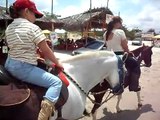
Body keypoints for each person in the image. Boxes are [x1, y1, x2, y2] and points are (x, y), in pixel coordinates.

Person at [5, 0, 63, 120]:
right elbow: (46, 50)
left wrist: (33, 56)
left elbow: (17, 47)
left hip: (8, 65)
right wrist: (57, 62)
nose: (35, 18)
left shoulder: (9, 27)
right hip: (23, 68)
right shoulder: (33, 28)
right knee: (56, 82)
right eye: (34, 14)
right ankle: (43, 116)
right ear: (26, 12)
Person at [103, 16, 141, 91]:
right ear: (117, 23)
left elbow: (106, 45)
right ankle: (134, 86)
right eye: (120, 23)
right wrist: (127, 51)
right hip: (118, 55)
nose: (121, 25)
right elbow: (124, 45)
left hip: (108, 56)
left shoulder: (105, 33)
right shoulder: (120, 32)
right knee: (135, 64)